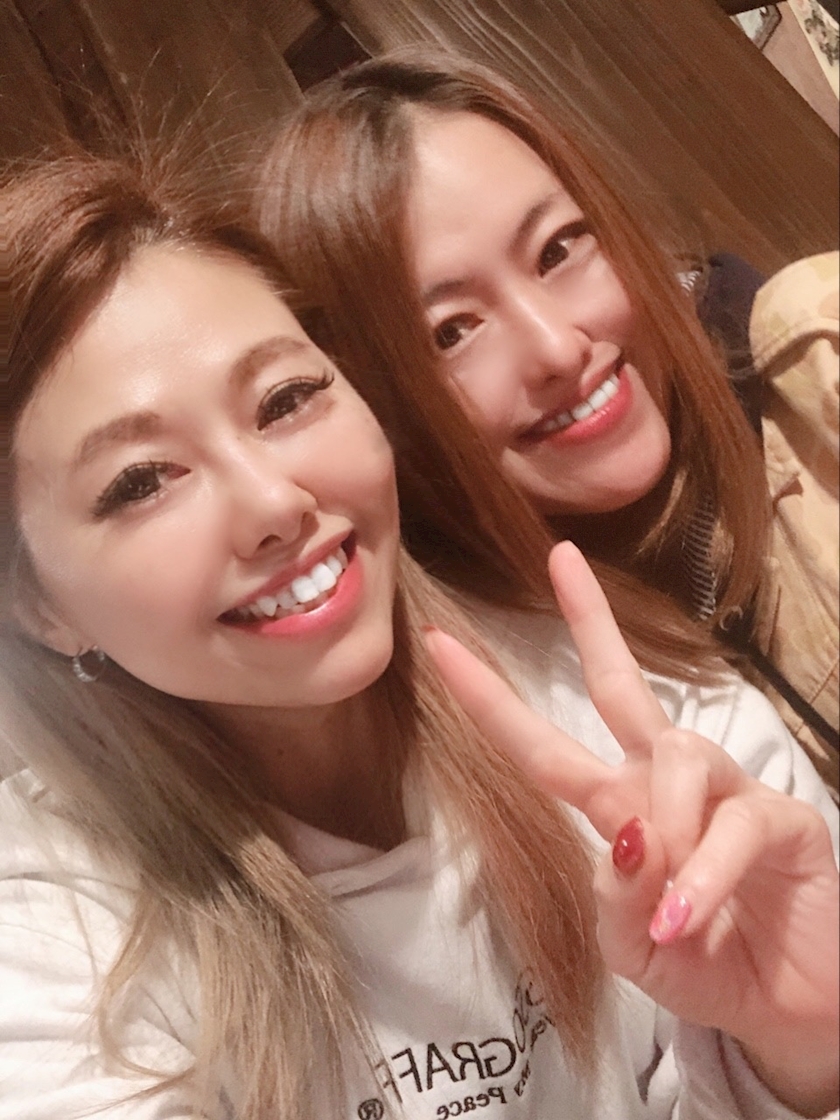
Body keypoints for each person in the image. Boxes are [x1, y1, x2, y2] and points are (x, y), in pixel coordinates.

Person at [0, 152, 837, 1120]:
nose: (274, 502)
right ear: (38, 606)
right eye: (141, 481)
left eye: (285, 399)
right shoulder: (46, 937)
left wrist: (804, 1053)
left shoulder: (655, 731)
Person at [257, 49, 839, 787]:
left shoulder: (817, 360)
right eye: (451, 331)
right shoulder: (495, 668)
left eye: (557, 250)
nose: (557, 348)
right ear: (381, 411)